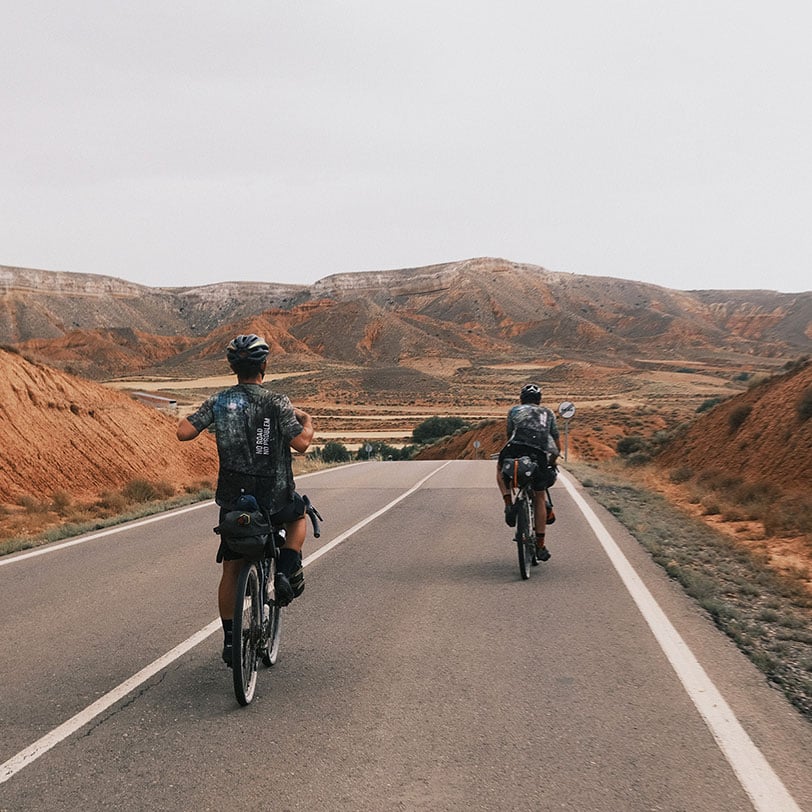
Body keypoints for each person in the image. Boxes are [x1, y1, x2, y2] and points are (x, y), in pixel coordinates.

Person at [176, 334, 314, 665]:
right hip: (274, 496)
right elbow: (302, 444)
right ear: (264, 365)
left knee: (232, 569)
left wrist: (212, 416)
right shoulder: (278, 402)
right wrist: (307, 422)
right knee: (298, 516)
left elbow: (183, 431)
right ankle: (286, 570)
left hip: (233, 499)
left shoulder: (220, 401)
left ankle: (229, 640)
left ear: (232, 367)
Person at [496, 383, 559, 561]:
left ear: (521, 399)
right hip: (538, 453)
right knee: (539, 497)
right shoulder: (548, 413)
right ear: (539, 400)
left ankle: (508, 503)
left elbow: (510, 435)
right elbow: (556, 444)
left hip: (515, 449)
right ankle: (540, 545)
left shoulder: (514, 411)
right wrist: (552, 463)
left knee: (500, 468)